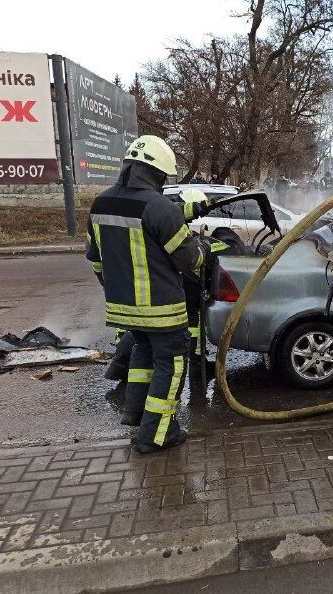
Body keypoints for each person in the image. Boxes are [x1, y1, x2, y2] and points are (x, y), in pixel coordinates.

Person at [86, 135, 211, 453]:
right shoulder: (159, 207)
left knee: (142, 356)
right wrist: (203, 247)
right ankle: (157, 435)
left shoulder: (100, 204)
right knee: (171, 366)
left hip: (123, 308)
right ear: (156, 173)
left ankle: (136, 414)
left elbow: (95, 258)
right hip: (161, 309)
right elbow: (190, 259)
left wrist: (112, 288)